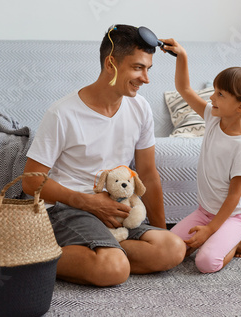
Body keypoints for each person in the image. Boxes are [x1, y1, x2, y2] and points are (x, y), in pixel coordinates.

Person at [22, 25, 186, 286]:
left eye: (148, 69)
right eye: (137, 68)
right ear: (111, 63)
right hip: (70, 210)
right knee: (115, 270)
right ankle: (29, 256)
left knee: (173, 248)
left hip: (118, 209)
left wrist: (158, 231)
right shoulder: (62, 113)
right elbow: (30, 181)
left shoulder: (140, 107)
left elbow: (148, 174)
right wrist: (88, 203)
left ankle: (106, 254)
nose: (146, 79)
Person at [160, 38, 241, 273]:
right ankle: (225, 237)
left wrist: (211, 230)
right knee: (169, 250)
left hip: (233, 216)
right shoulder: (213, 117)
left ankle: (237, 237)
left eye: (220, 94)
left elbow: (234, 197)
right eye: (214, 92)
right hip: (204, 212)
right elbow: (185, 89)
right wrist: (182, 56)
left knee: (205, 262)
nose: (212, 98)